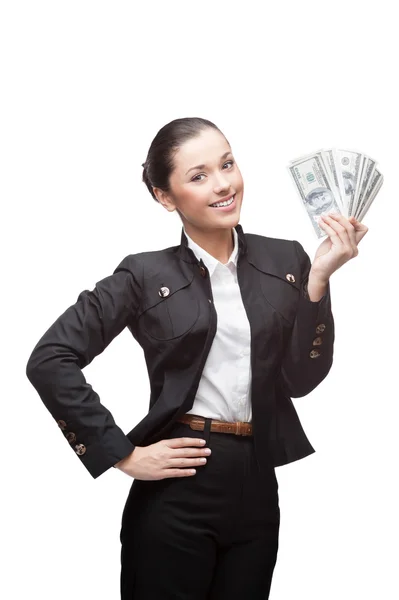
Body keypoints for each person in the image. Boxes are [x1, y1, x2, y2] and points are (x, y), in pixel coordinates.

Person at [25, 117, 368, 599]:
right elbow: (50, 358)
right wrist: (120, 453)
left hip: (256, 484)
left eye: (227, 164)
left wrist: (318, 282)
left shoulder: (287, 260)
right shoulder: (143, 274)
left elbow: (300, 378)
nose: (224, 183)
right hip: (178, 490)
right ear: (164, 197)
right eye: (199, 175)